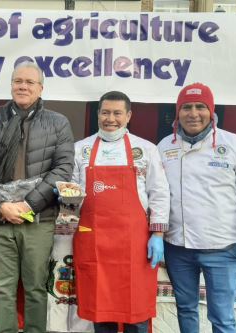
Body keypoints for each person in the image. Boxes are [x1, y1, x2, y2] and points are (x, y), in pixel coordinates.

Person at [0, 61, 75, 333]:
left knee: (35, 288)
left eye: (30, 82)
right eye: (18, 81)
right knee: (3, 287)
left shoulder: (58, 123)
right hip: (0, 218)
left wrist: (28, 204)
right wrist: (0, 205)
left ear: (41, 88)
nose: (23, 86)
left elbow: (63, 168)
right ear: (11, 85)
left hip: (39, 219)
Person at [157, 82, 236, 333]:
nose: (193, 113)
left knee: (223, 316)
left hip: (221, 246)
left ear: (211, 111)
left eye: (200, 107)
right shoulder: (165, 146)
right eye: (186, 107)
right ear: (178, 112)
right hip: (178, 246)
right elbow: (157, 193)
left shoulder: (234, 144)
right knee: (186, 309)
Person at [72, 91, 170, 333]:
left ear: (128, 115)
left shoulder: (145, 149)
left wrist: (157, 235)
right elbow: (73, 189)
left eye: (117, 113)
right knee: (100, 307)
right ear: (98, 114)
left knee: (134, 309)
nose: (111, 119)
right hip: (94, 239)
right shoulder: (80, 149)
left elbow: (159, 191)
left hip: (134, 242)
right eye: (105, 112)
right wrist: (66, 198)